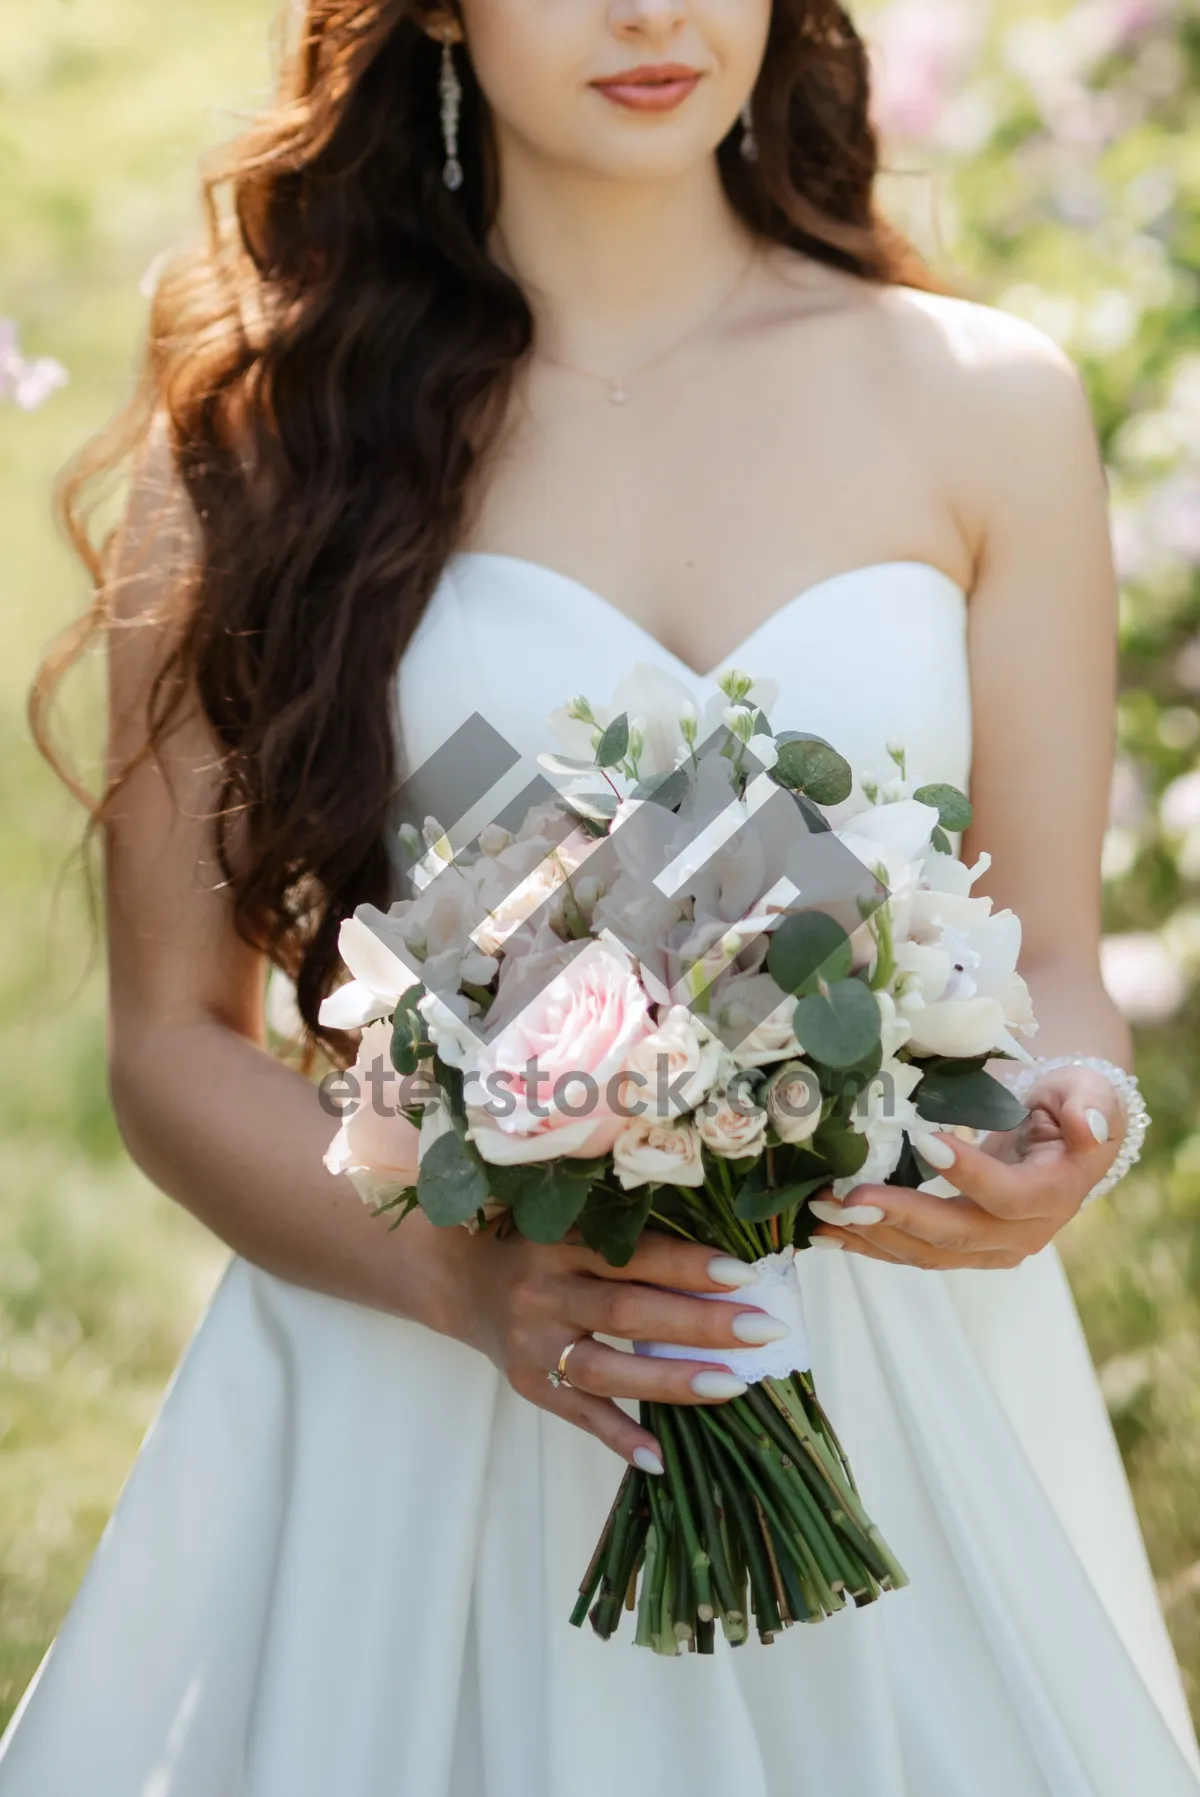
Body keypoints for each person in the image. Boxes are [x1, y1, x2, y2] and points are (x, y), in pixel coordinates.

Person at [4, 2, 1198, 1792]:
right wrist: (475, 1288)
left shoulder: (983, 403)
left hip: (880, 1373)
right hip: (424, 1382)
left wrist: (1070, 1125)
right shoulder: (266, 435)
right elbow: (173, 1047)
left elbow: (1046, 969)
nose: (652, 13)